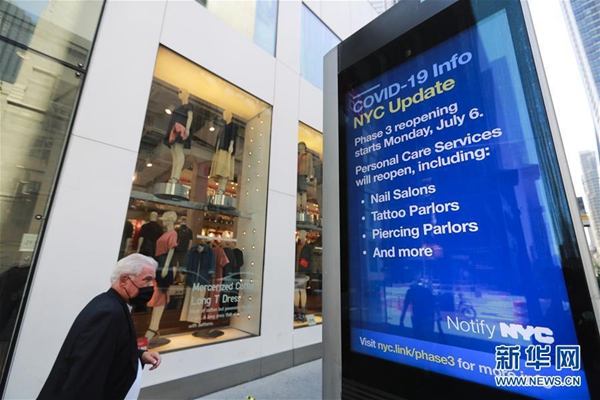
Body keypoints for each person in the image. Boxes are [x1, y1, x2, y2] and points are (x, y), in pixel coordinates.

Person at [38, 254, 163, 400]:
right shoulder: (109, 313)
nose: (151, 286)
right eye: (147, 279)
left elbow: (109, 350)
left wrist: (140, 355)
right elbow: (87, 372)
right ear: (124, 280)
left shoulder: (111, 304)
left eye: (153, 280)